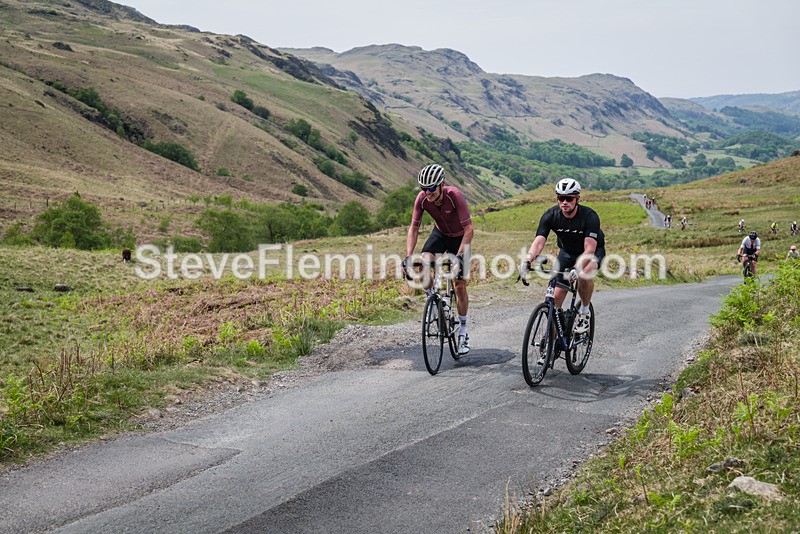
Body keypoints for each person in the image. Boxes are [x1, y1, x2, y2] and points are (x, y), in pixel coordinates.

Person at [518, 178, 605, 335]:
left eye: (569, 198)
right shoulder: (551, 215)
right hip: (566, 252)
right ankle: (551, 340)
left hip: (590, 253)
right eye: (560, 198)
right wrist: (527, 260)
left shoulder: (590, 216)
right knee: (555, 300)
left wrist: (577, 268)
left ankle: (584, 313)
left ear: (577, 199)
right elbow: (538, 242)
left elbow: (589, 248)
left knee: (584, 274)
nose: (564, 202)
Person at [404, 163, 474, 355]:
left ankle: (462, 331)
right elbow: (414, 228)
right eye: (424, 188)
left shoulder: (454, 196)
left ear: (441, 184)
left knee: (459, 284)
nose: (428, 192)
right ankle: (433, 301)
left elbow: (469, 230)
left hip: (460, 238)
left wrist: (459, 257)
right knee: (423, 263)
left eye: (432, 188)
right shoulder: (422, 199)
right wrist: (409, 256)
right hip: (440, 235)